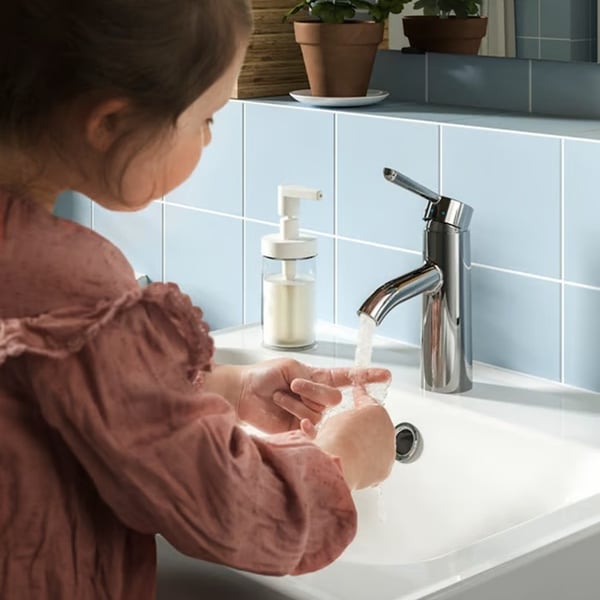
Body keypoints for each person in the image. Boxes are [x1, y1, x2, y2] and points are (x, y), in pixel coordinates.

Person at [0, 1, 396, 598]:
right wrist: (344, 458)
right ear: (108, 123)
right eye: (207, 117)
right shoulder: (78, 289)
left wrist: (228, 389)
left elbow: (52, 396)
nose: (210, 139)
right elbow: (228, 508)